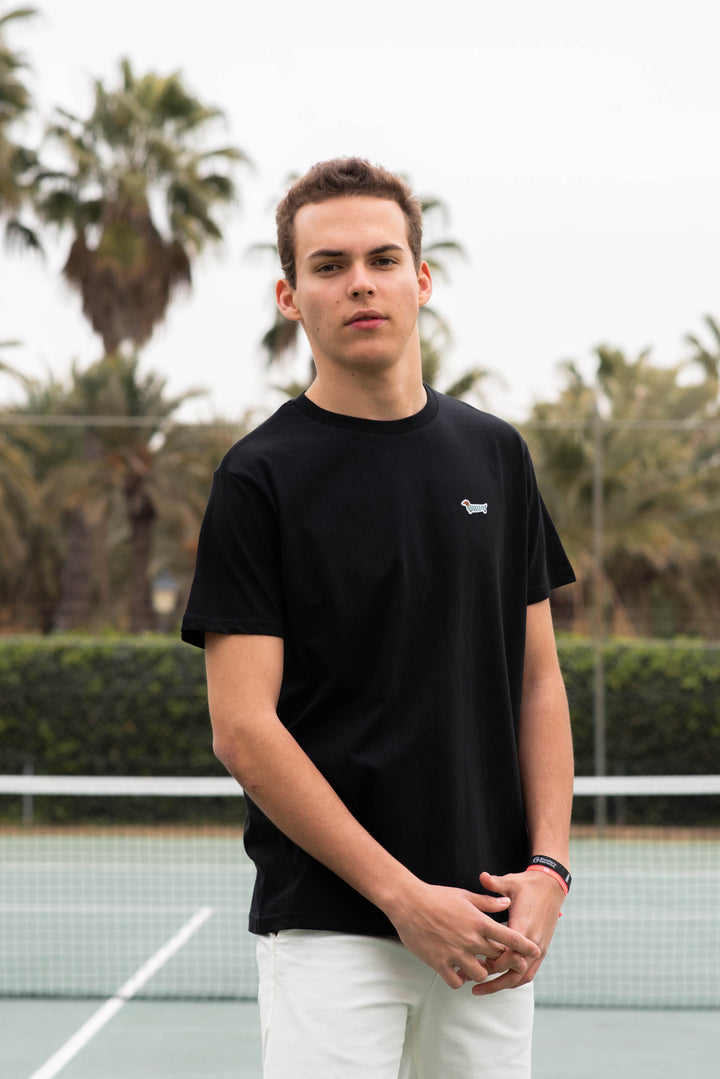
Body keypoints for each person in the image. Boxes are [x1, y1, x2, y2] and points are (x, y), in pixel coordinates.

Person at [181, 157, 576, 1079]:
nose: (360, 281)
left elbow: (538, 681)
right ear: (290, 296)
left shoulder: (497, 455)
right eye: (329, 265)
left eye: (382, 258)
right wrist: (403, 897)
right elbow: (243, 727)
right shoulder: (257, 478)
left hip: (488, 921)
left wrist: (549, 869)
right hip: (331, 930)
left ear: (421, 279)